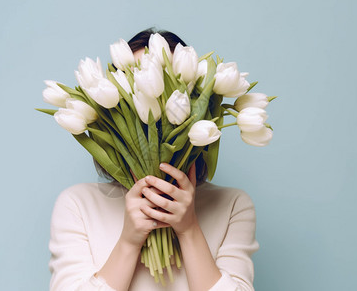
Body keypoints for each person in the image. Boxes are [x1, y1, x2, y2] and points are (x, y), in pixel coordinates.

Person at [48, 28, 260, 291]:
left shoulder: (231, 205)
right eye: (134, 84)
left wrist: (189, 228)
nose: (156, 103)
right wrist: (129, 241)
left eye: (173, 84)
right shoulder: (78, 205)